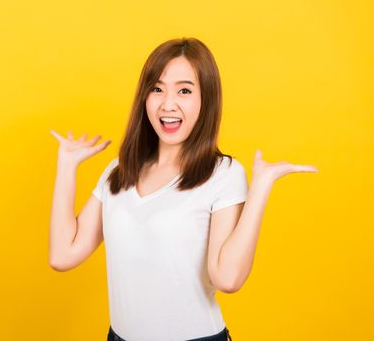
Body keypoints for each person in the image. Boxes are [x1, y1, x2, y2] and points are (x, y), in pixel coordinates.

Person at [48, 37, 318, 341]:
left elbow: (227, 278)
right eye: (157, 89)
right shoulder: (118, 172)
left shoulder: (224, 175)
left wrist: (260, 189)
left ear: (206, 100)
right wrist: (67, 167)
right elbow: (62, 255)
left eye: (185, 90)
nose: (168, 104)